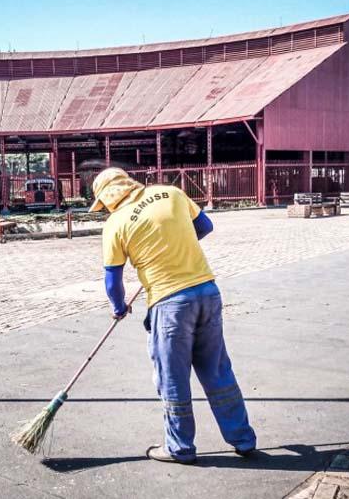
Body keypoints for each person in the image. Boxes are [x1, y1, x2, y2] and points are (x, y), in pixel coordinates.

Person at [89, 167, 256, 465]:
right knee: (218, 370)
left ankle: (179, 448)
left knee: (173, 378)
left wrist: (119, 307)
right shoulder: (171, 192)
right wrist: (173, 248)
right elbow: (205, 226)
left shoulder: (115, 224)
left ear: (108, 198)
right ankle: (243, 439)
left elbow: (113, 281)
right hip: (207, 291)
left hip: (170, 305)